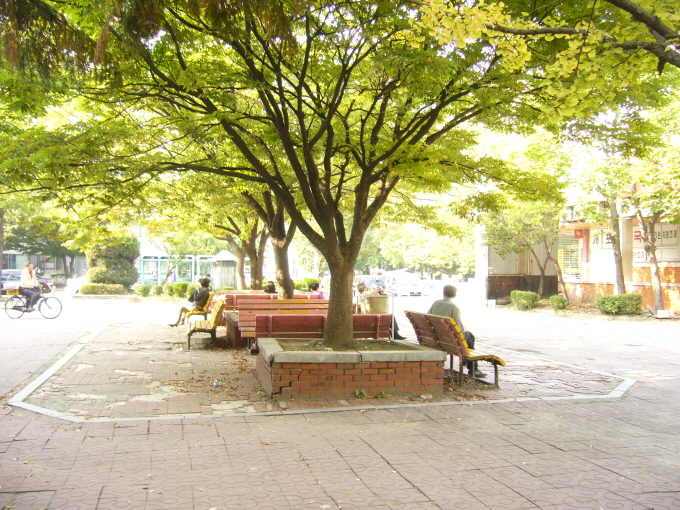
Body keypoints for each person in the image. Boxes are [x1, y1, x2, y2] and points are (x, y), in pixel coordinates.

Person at [428, 284, 486, 378]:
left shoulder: (436, 303)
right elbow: (458, 329)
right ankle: (473, 368)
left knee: (468, 337)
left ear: (443, 293)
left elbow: (428, 317)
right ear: (455, 295)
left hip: (437, 338)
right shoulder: (453, 307)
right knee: (469, 335)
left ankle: (470, 365)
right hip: (450, 341)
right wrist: (465, 329)